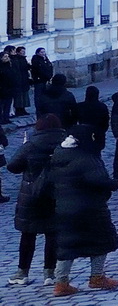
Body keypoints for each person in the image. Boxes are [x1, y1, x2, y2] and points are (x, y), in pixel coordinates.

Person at [47, 126, 118, 294]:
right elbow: (99, 180)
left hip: (64, 208)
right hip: (90, 208)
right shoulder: (87, 158)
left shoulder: (58, 156)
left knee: (67, 245)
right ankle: (97, 277)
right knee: (102, 241)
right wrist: (115, 184)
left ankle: (61, 283)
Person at [6, 113, 64, 286]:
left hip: (31, 194)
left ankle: (23, 272)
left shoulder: (32, 144)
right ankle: (49, 272)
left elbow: (12, 166)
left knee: (28, 233)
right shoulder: (65, 141)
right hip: (56, 192)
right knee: (52, 233)